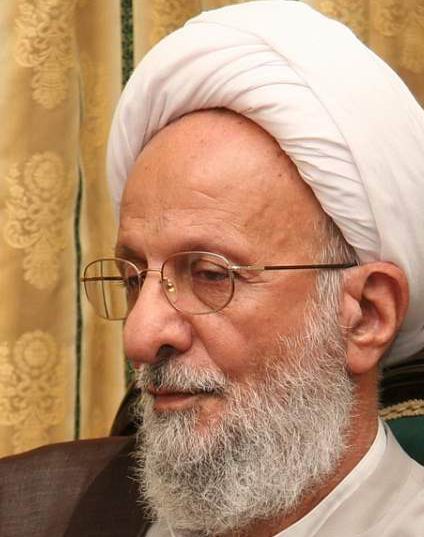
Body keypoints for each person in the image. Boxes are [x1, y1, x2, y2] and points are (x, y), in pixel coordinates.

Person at [1, 2, 424, 537]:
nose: (139, 335)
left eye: (209, 274)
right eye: (133, 277)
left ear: (365, 314)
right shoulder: (42, 510)